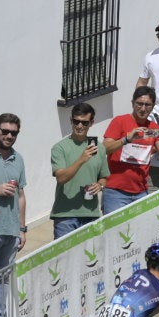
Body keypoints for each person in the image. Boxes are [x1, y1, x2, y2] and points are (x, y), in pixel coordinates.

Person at [0, 113, 26, 317]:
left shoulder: (18, 158)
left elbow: (21, 195)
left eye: (14, 132)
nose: (9, 136)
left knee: (2, 277)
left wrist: (22, 228)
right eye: (5, 131)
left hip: (10, 228)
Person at [102, 88, 159, 214]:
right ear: (132, 103)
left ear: (153, 106)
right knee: (115, 232)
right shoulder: (119, 121)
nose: (143, 108)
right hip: (116, 192)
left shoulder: (153, 128)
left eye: (147, 105)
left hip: (141, 192)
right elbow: (104, 148)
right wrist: (126, 139)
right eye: (139, 104)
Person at [50, 102, 108, 238]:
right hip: (65, 216)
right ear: (71, 120)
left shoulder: (99, 148)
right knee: (64, 258)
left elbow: (104, 177)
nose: (79, 126)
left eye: (84, 123)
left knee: (90, 258)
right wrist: (82, 159)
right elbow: (61, 178)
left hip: (91, 214)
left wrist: (99, 185)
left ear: (91, 123)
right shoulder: (60, 148)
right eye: (76, 121)